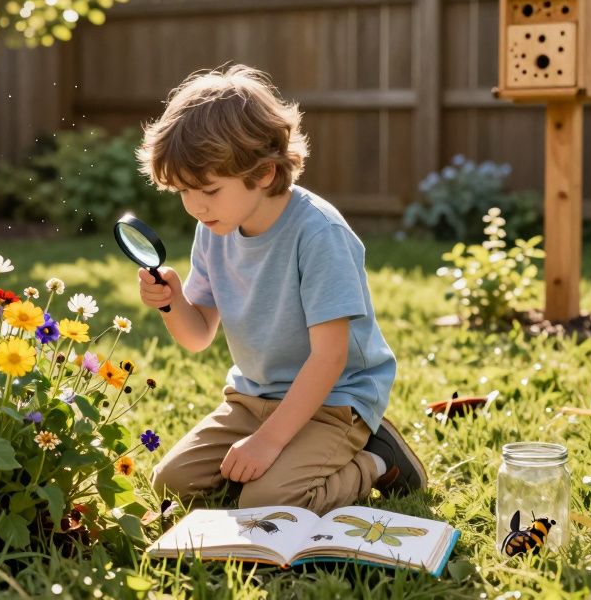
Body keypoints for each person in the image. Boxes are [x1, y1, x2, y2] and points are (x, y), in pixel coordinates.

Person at [135, 64, 426, 514]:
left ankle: (377, 459)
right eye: (182, 192)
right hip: (253, 399)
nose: (195, 205)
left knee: (270, 501)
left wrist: (268, 443)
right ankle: (280, 459)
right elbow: (197, 337)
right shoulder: (214, 227)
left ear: (265, 173)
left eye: (208, 188)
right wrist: (173, 303)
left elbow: (330, 357)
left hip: (334, 401)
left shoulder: (318, 233)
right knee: (170, 484)